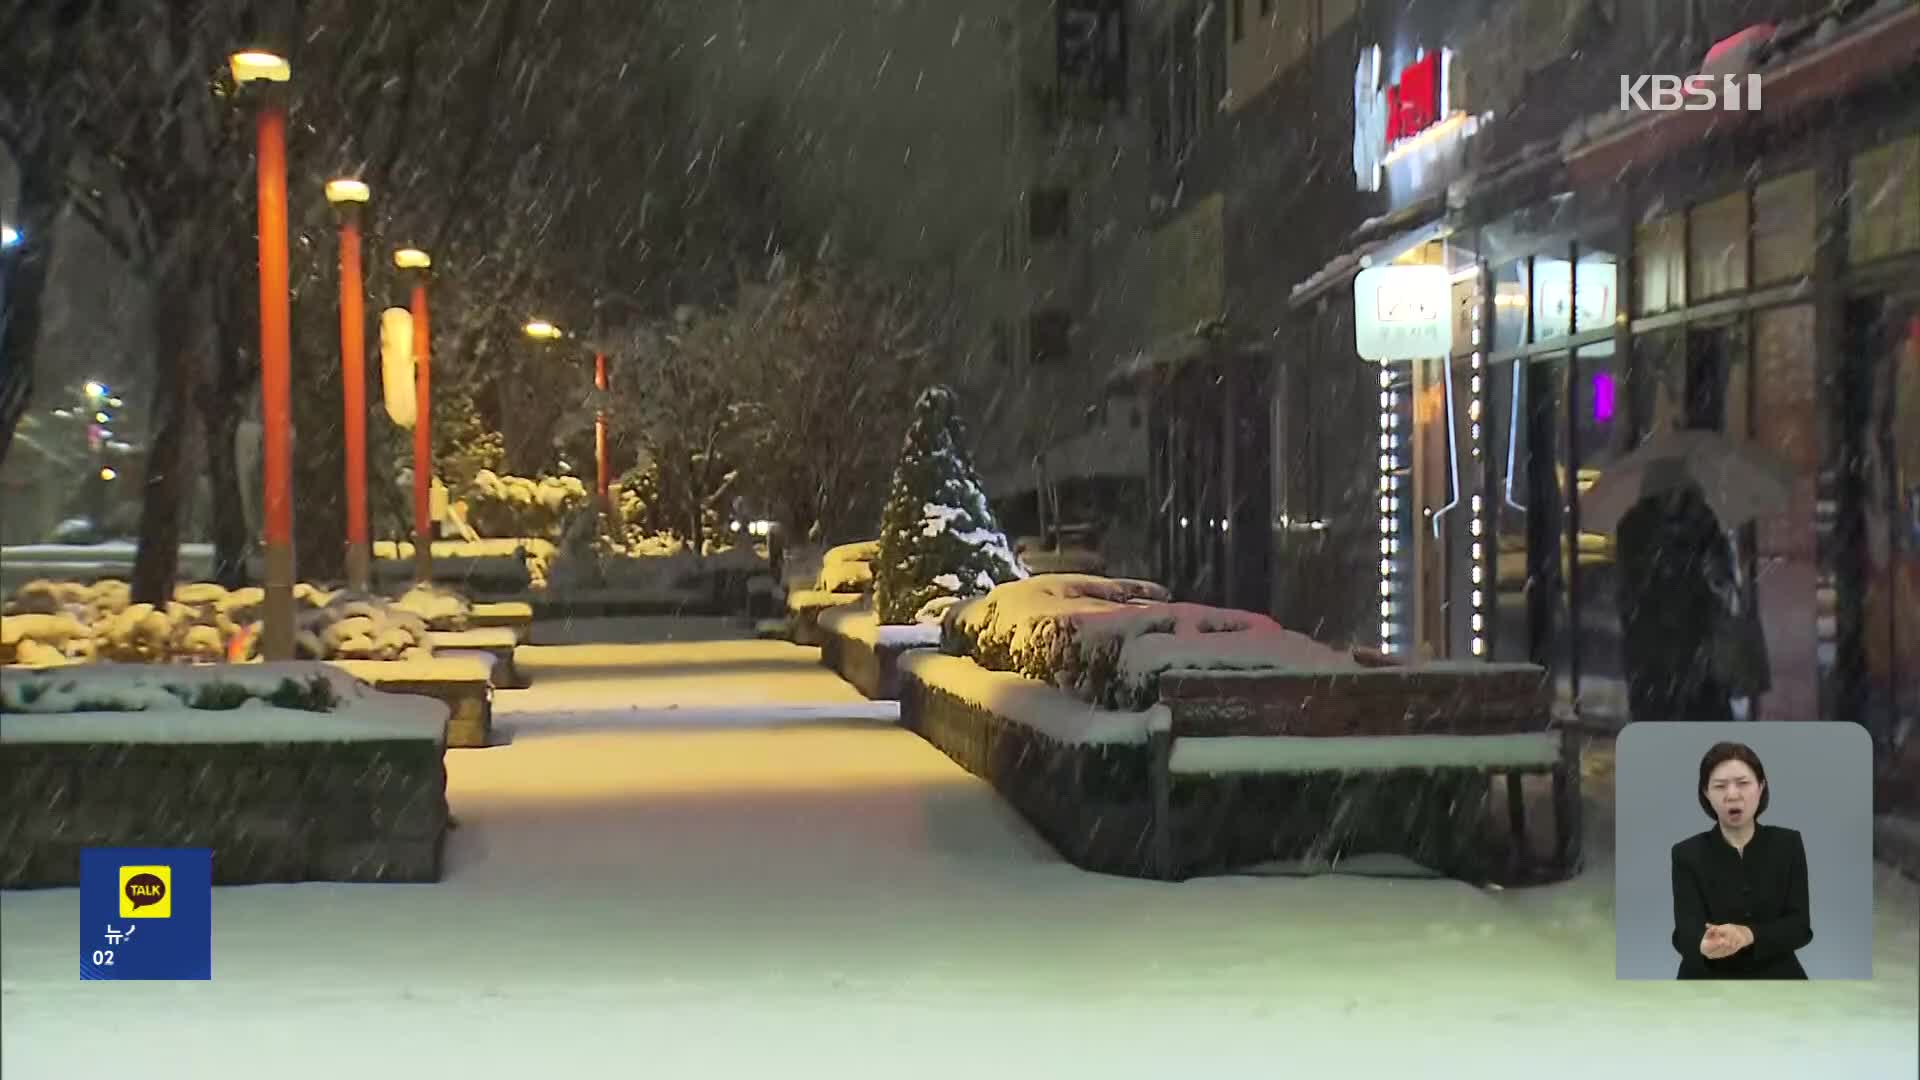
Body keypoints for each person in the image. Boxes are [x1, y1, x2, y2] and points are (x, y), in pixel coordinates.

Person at [1670, 741, 1811, 979]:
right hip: (1708, 976)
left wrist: (1748, 934)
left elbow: (1799, 927)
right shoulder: (1686, 853)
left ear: (1761, 787)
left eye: (1743, 784)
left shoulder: (1788, 844)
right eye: (1720, 786)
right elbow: (1685, 933)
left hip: (1777, 976)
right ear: (1706, 793)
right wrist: (1703, 945)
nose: (1732, 795)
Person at [1615, 480, 1736, 724]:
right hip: (1654, 657)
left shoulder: (1705, 522)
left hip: (1696, 652)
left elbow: (1722, 583)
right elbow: (1631, 591)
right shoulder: (1634, 526)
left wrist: (1712, 576)